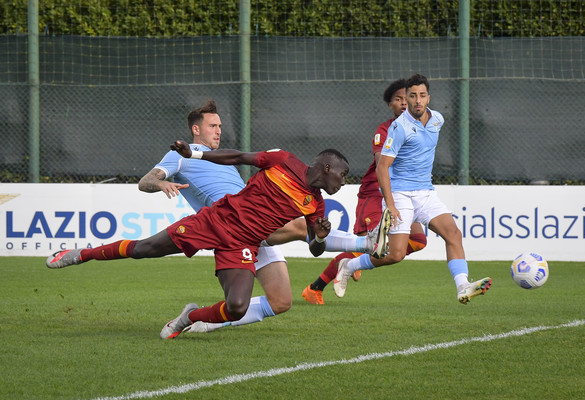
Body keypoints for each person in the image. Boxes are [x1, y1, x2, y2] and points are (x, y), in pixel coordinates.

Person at [47, 139, 350, 338]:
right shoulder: (282, 160)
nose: (344, 181)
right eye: (343, 174)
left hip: (243, 245)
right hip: (215, 221)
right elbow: (238, 156)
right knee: (145, 249)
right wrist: (194, 154)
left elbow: (315, 249)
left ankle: (189, 317)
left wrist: (320, 237)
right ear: (327, 168)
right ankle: (81, 254)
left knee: (237, 307)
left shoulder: (316, 205)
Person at [134, 100, 379, 334]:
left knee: (281, 302)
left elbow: (239, 159)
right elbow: (146, 181)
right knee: (298, 227)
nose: (218, 131)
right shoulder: (182, 155)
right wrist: (162, 183)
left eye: (220, 126)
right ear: (196, 129)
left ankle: (207, 323)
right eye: (212, 126)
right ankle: (366, 243)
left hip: (257, 227)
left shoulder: (223, 158)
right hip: (232, 223)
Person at [333, 74, 492, 304]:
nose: (418, 100)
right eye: (413, 96)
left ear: (429, 98)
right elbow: (382, 167)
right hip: (400, 194)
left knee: (453, 234)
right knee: (396, 254)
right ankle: (349, 265)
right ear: (406, 98)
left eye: (422, 95)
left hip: (425, 193)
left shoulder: (437, 120)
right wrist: (391, 204)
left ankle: (462, 286)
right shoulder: (399, 128)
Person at [301, 78, 427, 305]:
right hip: (376, 194)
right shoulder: (385, 130)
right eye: (397, 99)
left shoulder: (421, 128)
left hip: (403, 194)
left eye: (405, 98)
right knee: (369, 246)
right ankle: (315, 288)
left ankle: (356, 263)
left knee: (417, 240)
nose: (403, 103)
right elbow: (382, 163)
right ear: (390, 105)